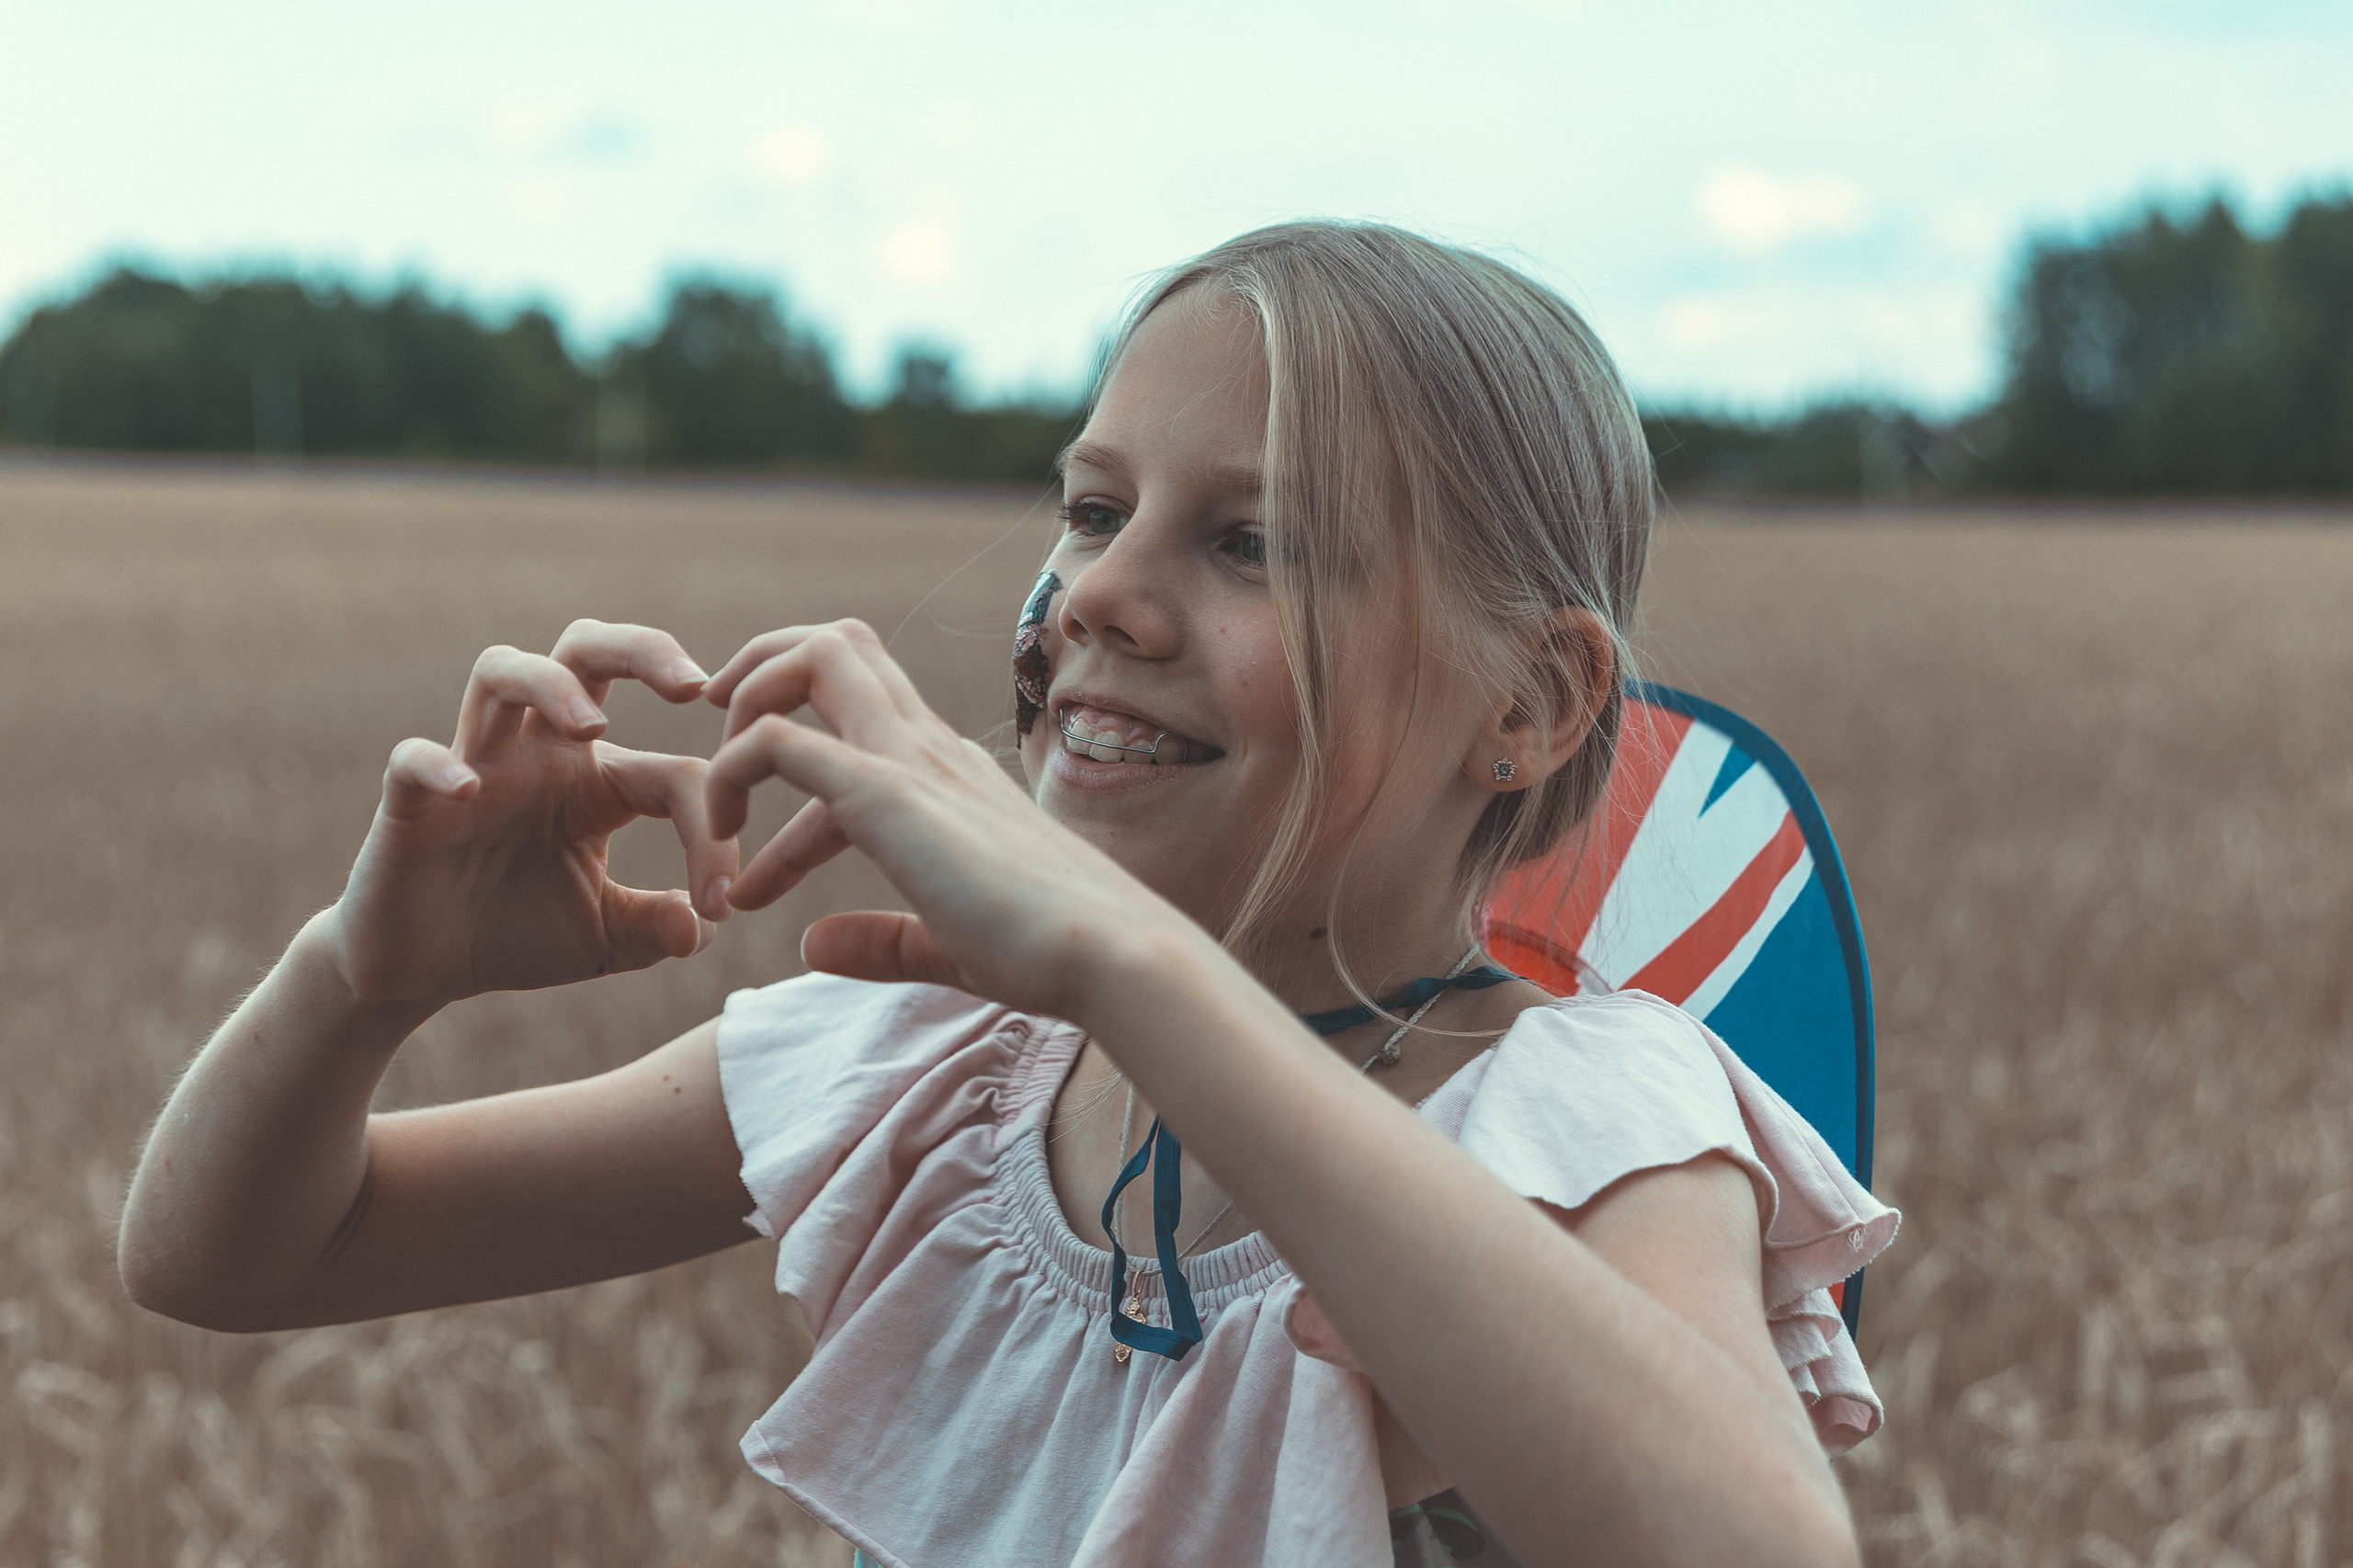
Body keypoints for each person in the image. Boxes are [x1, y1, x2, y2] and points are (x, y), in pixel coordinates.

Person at [119, 222, 1895, 1568]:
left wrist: (1130, 968)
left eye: (1252, 540)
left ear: (1532, 703)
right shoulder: (945, 1077)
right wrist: (363, 974)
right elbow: (234, 1252)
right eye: (1091, 508)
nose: (1103, 595)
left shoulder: (1592, 1110)